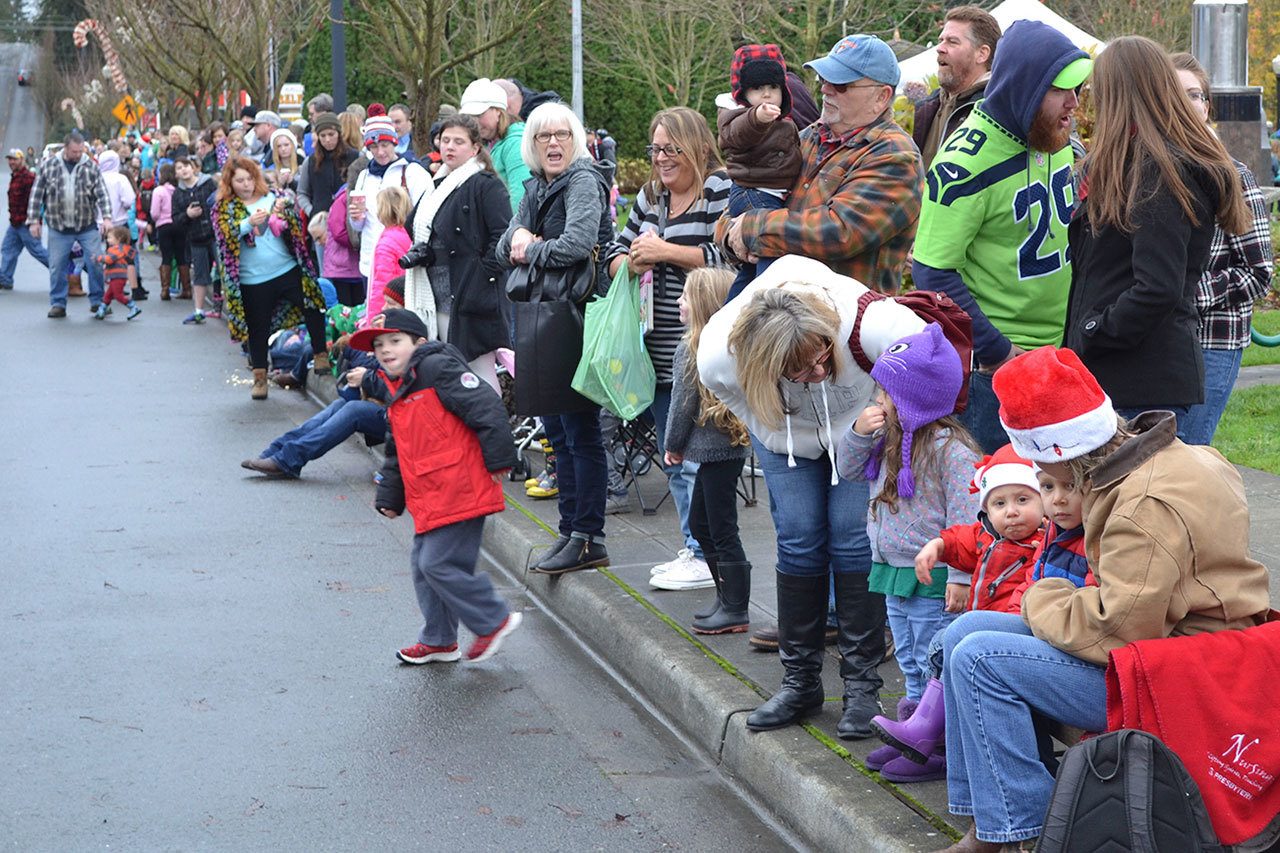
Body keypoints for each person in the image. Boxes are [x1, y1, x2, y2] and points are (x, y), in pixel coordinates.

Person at [935, 345, 1271, 852]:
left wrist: (1040, 597)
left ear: (1059, 454)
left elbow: (1120, 630)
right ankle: (994, 819)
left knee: (981, 658)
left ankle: (1020, 829)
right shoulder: (1184, 455)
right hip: (1183, 648)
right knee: (962, 631)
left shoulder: (1141, 507)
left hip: (1178, 671)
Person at [697, 253, 929, 738]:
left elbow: (932, 358)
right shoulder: (720, 355)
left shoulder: (874, 322)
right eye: (799, 371)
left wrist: (887, 426)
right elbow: (748, 411)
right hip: (785, 439)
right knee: (799, 536)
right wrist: (798, 442)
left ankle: (862, 687)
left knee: (851, 538)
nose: (819, 372)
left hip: (863, 430)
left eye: (823, 357)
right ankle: (800, 682)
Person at [912, 20, 1092, 453]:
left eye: (1078, 90)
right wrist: (996, 350)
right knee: (999, 508)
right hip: (993, 375)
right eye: (1061, 90)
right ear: (1024, 87)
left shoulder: (1054, 140)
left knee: (1051, 508)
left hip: (1058, 358)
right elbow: (932, 271)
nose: (1073, 104)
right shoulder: (964, 165)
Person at [1064, 37, 1249, 435]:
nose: (1089, 103)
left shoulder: (1159, 172)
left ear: (1121, 92)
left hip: (1143, 380)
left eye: (1098, 90)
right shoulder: (1135, 164)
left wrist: (1094, 330)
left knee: (1137, 498)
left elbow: (1158, 287)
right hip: (1120, 375)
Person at [834, 323, 981, 750]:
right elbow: (845, 469)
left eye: (886, 394)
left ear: (914, 399)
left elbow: (966, 515)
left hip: (930, 575)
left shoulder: (951, 450)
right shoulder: (886, 438)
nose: (878, 401)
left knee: (930, 655)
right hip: (891, 568)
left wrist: (959, 577)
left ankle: (936, 739)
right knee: (908, 658)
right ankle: (914, 730)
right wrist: (859, 432)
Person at [865, 444, 1045, 783]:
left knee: (950, 650)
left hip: (1013, 638)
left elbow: (1025, 602)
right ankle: (921, 736)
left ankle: (927, 739)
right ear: (987, 510)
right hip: (985, 638)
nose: (1012, 512)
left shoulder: (1041, 545)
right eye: (1000, 503)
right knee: (937, 652)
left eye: (1023, 500)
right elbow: (960, 539)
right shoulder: (988, 536)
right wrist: (936, 546)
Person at [605, 107, 729, 590]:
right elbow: (615, 251)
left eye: (670, 149)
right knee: (672, 453)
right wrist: (629, 263)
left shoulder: (717, 190)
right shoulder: (651, 197)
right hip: (652, 346)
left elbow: (730, 256)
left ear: (696, 147)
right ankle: (693, 547)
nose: (660, 159)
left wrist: (665, 252)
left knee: (700, 455)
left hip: (702, 345)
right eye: (655, 149)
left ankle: (708, 553)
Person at [357, 308, 523, 665]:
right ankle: (439, 639)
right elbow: (398, 449)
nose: (386, 351)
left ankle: (493, 619)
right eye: (379, 345)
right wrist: (390, 495)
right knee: (423, 563)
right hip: (432, 494)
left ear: (419, 342)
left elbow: (487, 407)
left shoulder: (436, 369)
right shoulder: (398, 388)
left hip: (461, 486)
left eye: (395, 341)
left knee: (439, 563)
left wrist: (500, 460)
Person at [496, 102, 614, 575]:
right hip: (545, 317)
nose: (552, 143)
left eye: (561, 134)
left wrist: (532, 245)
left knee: (580, 433)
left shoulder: (584, 180)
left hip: (576, 317)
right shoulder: (537, 185)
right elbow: (504, 247)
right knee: (559, 434)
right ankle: (570, 531)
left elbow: (578, 244)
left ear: (577, 139)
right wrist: (521, 241)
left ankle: (588, 536)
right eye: (543, 136)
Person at [721, 34, 921, 294]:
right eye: (824, 79)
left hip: (842, 324)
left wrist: (751, 228)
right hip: (778, 317)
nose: (825, 88)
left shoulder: (895, 155)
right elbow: (737, 205)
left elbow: (839, 231)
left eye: (841, 84)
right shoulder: (804, 137)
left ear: (881, 97)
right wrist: (730, 235)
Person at [1169, 52, 1275, 446]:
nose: (1187, 104)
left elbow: (1259, 271)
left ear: (1207, 107)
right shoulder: (1145, 173)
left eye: (1195, 95)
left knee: (1189, 455)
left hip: (1212, 340)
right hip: (1154, 340)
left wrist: (1185, 297)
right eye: (1175, 94)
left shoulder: (1233, 176)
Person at [663, 268, 753, 633]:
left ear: (701, 304)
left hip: (717, 452)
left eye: (685, 297)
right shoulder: (724, 345)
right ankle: (725, 596)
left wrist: (672, 445)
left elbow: (681, 404)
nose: (679, 302)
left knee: (720, 527)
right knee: (703, 523)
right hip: (726, 449)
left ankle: (736, 607)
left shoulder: (691, 348)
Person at [400, 113, 512, 393]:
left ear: (475, 148)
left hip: (470, 295)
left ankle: (493, 432)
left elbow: (503, 237)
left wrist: (480, 275)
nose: (449, 147)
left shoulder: (485, 184)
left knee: (478, 372)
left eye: (458, 142)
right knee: (449, 373)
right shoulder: (436, 184)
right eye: (446, 140)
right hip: (434, 293)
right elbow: (415, 226)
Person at [211, 157, 328, 400]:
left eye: (250, 179)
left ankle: (320, 355)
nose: (246, 185)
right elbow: (223, 236)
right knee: (258, 328)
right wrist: (247, 224)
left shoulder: (274, 197)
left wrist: (285, 218)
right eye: (240, 180)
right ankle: (260, 377)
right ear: (230, 183)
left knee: (313, 303)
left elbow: (295, 226)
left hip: (286, 268)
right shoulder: (224, 207)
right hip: (252, 279)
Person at [718, 44, 803, 300]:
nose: (766, 95)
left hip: (770, 195)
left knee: (749, 269)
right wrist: (756, 117)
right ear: (744, 94)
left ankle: (729, 313)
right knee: (771, 259)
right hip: (754, 194)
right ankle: (764, 306)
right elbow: (737, 133)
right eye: (757, 89)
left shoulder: (786, 123)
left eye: (773, 88)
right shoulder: (738, 118)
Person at [27, 132, 111, 318]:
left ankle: (98, 301)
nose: (78, 155)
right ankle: (58, 303)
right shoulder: (49, 166)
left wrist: (106, 217)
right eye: (74, 151)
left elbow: (102, 194)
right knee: (57, 266)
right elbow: (36, 194)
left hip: (86, 225)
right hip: (59, 227)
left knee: (96, 262)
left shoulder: (90, 166)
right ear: (65, 148)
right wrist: (34, 221)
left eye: (81, 151)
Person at [912, 6, 1001, 169]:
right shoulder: (927, 108)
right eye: (941, 40)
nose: (940, 48)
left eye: (952, 42)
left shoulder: (996, 113)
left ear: (982, 54)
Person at [348, 115, 433, 284]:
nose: (380, 152)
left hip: (402, 262)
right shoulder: (364, 176)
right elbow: (359, 226)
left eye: (385, 145)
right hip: (371, 263)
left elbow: (427, 216)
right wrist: (356, 217)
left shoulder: (413, 172)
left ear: (394, 142)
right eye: (373, 146)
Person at [460, 78, 533, 211]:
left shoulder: (515, 144)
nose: (475, 122)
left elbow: (521, 199)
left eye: (480, 114)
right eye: (470, 116)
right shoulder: (489, 143)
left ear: (499, 111)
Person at [172, 155, 218, 323]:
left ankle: (234, 308)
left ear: (193, 167)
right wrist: (187, 215)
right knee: (200, 275)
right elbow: (175, 219)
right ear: (176, 174)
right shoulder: (177, 193)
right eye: (179, 168)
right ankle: (199, 311)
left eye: (186, 165)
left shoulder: (208, 183)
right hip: (196, 238)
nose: (183, 169)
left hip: (215, 234)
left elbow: (220, 202)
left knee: (225, 271)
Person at [0, 148, 49, 289]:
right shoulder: (15, 176)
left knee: (38, 252)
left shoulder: (28, 177)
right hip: (15, 222)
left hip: (27, 223)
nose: (11, 162)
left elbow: (39, 199)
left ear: (22, 159)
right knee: (8, 249)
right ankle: (5, 279)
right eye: (10, 159)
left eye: (14, 159)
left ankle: (63, 273)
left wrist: (36, 221)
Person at [297, 112, 358, 219]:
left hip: (348, 221)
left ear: (339, 134)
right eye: (323, 136)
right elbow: (302, 193)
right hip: (320, 222)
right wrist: (311, 212)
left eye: (331, 134)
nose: (327, 140)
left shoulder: (355, 157)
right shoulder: (310, 161)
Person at [366, 186, 412, 322]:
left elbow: (381, 284)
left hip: (390, 309)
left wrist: (372, 319)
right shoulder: (411, 233)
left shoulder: (386, 243)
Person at [150, 164, 189, 300]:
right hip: (179, 224)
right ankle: (186, 289)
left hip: (164, 225)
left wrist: (156, 219)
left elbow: (154, 212)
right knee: (181, 256)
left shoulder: (159, 190)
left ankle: (165, 290)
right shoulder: (179, 190)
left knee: (166, 256)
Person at [324, 183, 364, 306]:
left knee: (358, 310)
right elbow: (339, 233)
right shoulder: (343, 198)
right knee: (346, 311)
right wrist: (360, 244)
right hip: (342, 266)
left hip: (354, 268)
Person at [92, 225, 141, 321]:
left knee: (118, 295)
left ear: (118, 239)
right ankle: (101, 310)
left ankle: (133, 307)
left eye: (110, 238)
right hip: (119, 275)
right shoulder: (124, 249)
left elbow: (109, 259)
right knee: (108, 295)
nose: (108, 240)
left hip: (117, 275)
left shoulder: (116, 249)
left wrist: (99, 258)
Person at [265, 128, 300, 195]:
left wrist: (292, 182)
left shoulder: (302, 165)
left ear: (292, 145)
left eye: (286, 145)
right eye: (279, 146)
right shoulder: (270, 168)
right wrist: (279, 184)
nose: (283, 149)